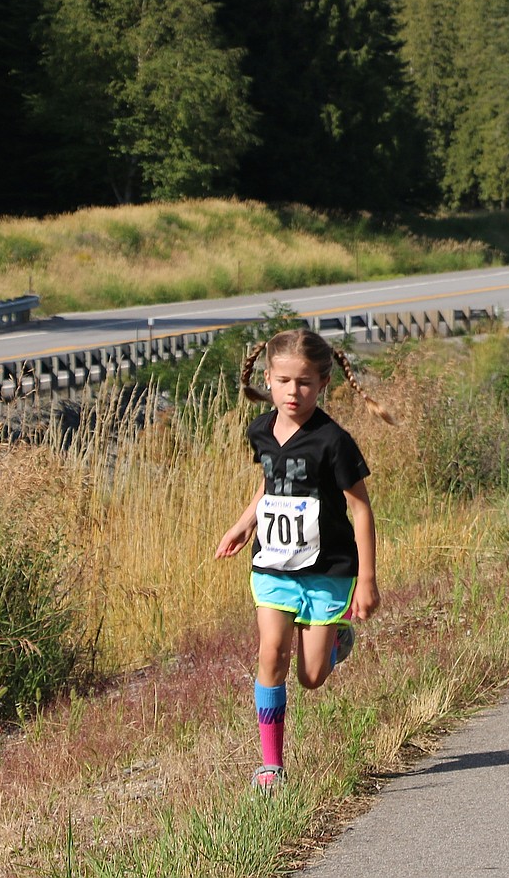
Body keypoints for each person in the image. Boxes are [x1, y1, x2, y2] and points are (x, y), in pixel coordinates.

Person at [215, 329, 390, 791]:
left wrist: (367, 580)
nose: (294, 391)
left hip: (326, 571)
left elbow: (361, 508)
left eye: (305, 382)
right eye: (285, 380)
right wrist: (243, 523)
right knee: (270, 652)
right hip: (273, 565)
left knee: (311, 677)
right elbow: (272, 487)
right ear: (268, 379)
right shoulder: (260, 431)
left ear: (324, 382)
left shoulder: (334, 441)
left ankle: (336, 642)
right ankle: (271, 765)